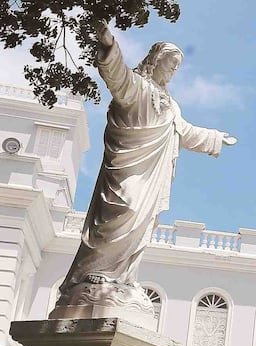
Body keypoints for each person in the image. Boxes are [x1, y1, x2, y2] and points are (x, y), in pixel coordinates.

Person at [52, 21, 237, 319]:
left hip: (153, 172)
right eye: (170, 63)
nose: (173, 70)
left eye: (177, 66)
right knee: (121, 212)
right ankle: (91, 276)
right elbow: (116, 75)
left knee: (141, 222)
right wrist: (109, 44)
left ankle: (121, 278)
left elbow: (184, 131)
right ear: (155, 60)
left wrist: (215, 138)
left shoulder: (171, 104)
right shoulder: (137, 87)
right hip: (128, 167)